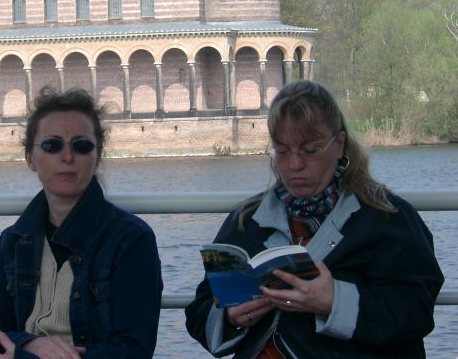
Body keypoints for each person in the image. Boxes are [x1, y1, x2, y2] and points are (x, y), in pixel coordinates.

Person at [185, 79, 443, 358]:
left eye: (310, 150)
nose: (294, 164)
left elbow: (416, 311)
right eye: (282, 151)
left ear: (339, 144)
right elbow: (200, 311)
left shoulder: (387, 216)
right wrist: (230, 319)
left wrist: (334, 301)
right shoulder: (247, 219)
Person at [0, 86, 163, 358]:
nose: (67, 157)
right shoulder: (15, 240)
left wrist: (24, 355)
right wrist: (29, 343)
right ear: (30, 158)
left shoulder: (130, 240)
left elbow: (133, 350)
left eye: (81, 146)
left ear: (97, 157)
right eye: (52, 145)